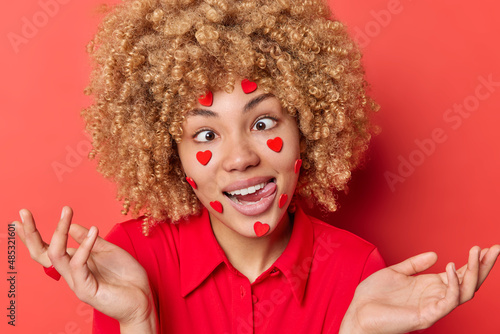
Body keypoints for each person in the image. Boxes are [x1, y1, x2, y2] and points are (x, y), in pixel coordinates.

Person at [15, 0, 499, 333]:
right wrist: (138, 319)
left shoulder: (358, 273)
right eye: (205, 134)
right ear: (172, 157)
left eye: (263, 121)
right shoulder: (131, 262)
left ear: (305, 129)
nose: (241, 156)